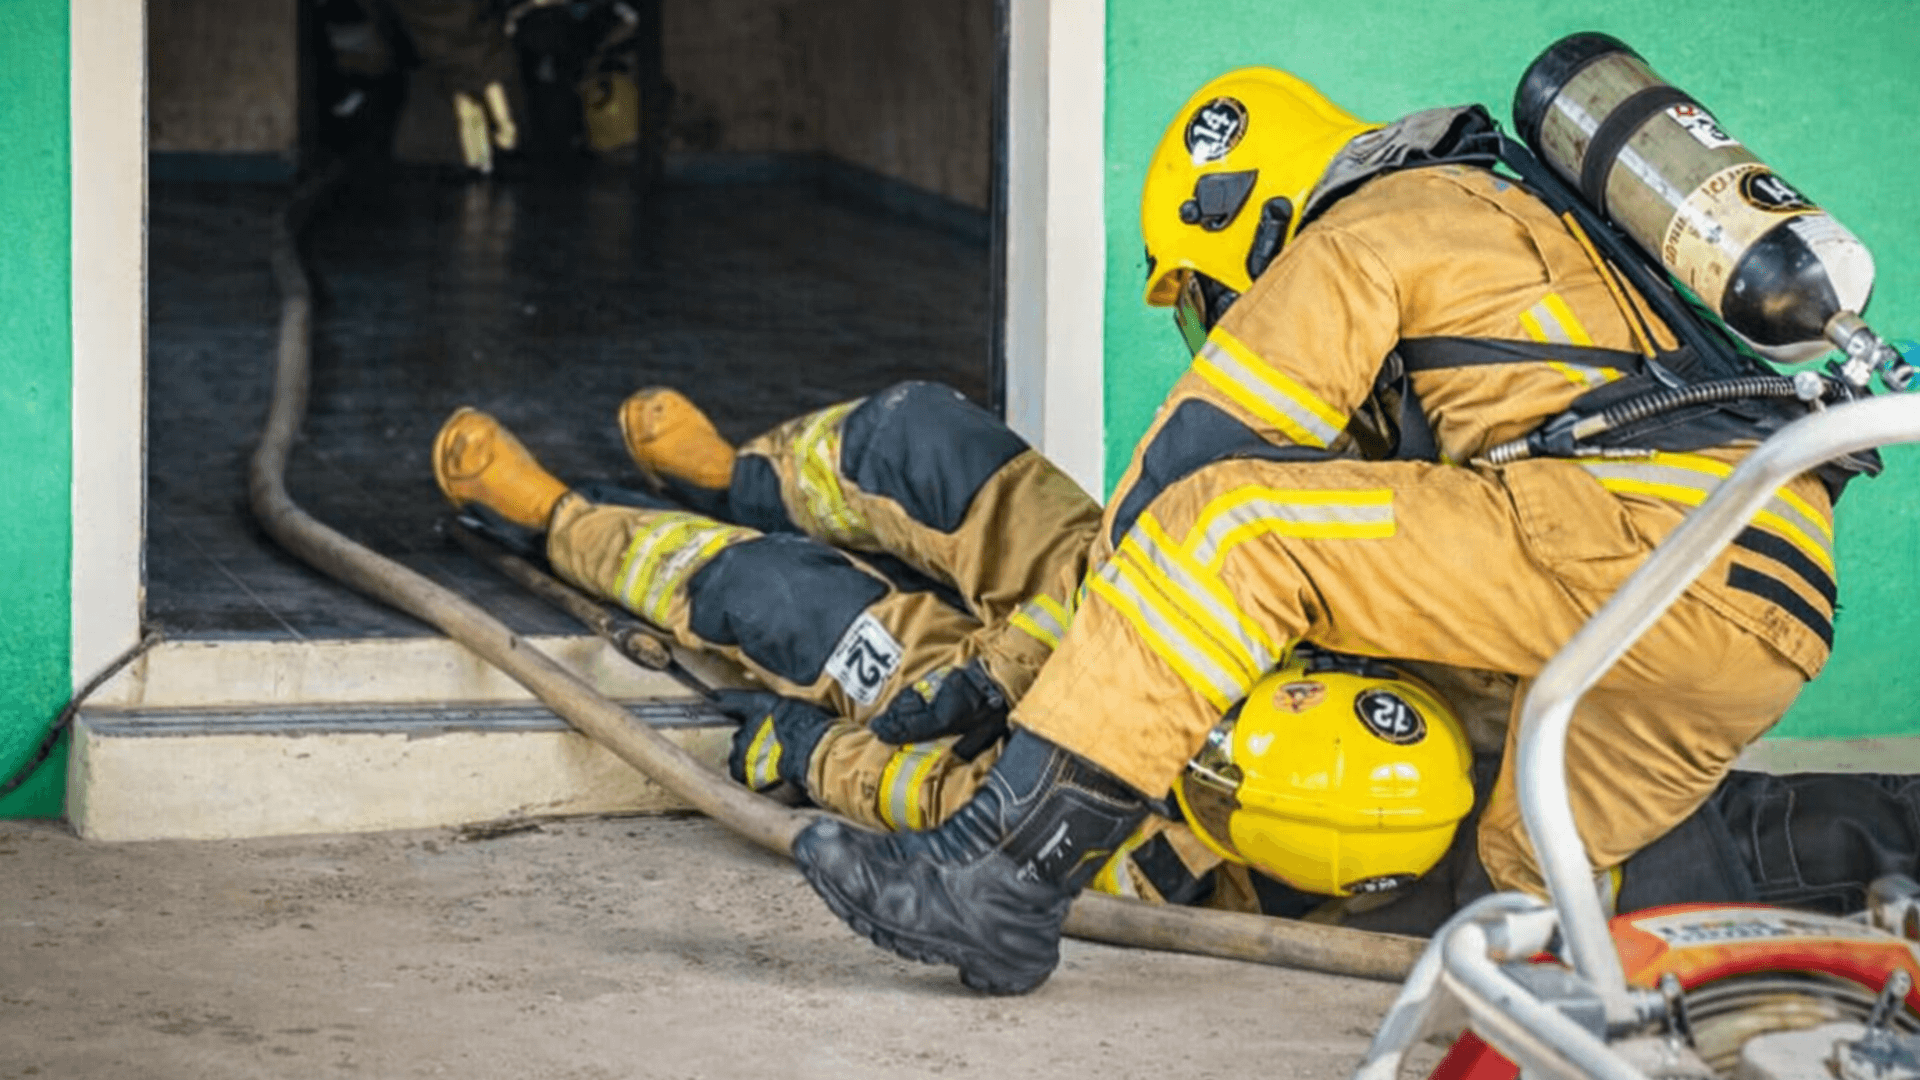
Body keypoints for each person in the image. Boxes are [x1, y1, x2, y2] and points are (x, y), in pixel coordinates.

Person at [784, 66, 1886, 995]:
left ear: (1255, 218)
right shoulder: (1531, 229)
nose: (1218, 324)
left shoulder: (1373, 221)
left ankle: (997, 879)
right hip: (1766, 605)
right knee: (1521, 889)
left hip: (1635, 535)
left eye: (1213, 298)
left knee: (1231, 527)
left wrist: (1035, 656)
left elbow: (1202, 463)